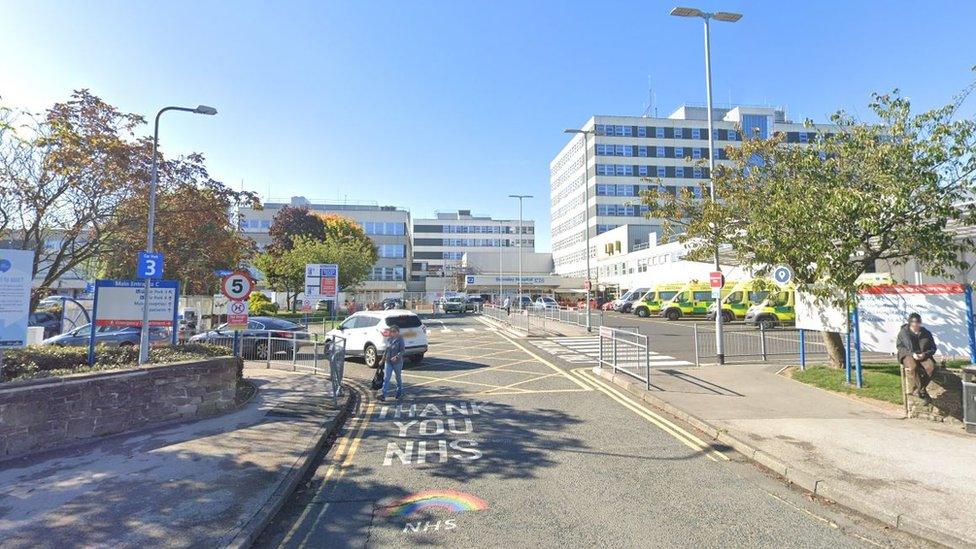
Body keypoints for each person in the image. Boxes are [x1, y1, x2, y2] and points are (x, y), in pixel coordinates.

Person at [896, 312, 938, 401]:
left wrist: (924, 354)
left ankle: (919, 389)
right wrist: (912, 354)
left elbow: (933, 348)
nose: (916, 324)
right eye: (913, 322)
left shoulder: (926, 333)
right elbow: (900, 347)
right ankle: (922, 391)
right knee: (913, 367)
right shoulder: (903, 332)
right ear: (910, 322)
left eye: (918, 322)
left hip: (923, 354)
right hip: (908, 354)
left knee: (931, 368)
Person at [379, 324, 405, 402]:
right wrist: (382, 360)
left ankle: (399, 393)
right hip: (388, 362)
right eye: (391, 331)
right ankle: (383, 395)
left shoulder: (400, 339)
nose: (392, 333)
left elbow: (402, 351)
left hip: (397, 362)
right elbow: (386, 350)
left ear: (398, 332)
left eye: (394, 331)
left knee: (398, 377)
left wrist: (396, 357)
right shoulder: (389, 339)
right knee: (386, 378)